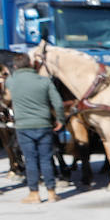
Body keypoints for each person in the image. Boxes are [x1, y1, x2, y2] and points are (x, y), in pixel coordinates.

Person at [7, 55, 66, 203]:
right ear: (32, 64)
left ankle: (34, 193)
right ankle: (52, 192)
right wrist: (60, 119)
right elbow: (58, 103)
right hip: (44, 124)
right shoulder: (45, 81)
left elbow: (6, 97)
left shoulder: (11, 81)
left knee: (31, 160)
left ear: (15, 67)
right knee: (46, 159)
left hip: (23, 126)